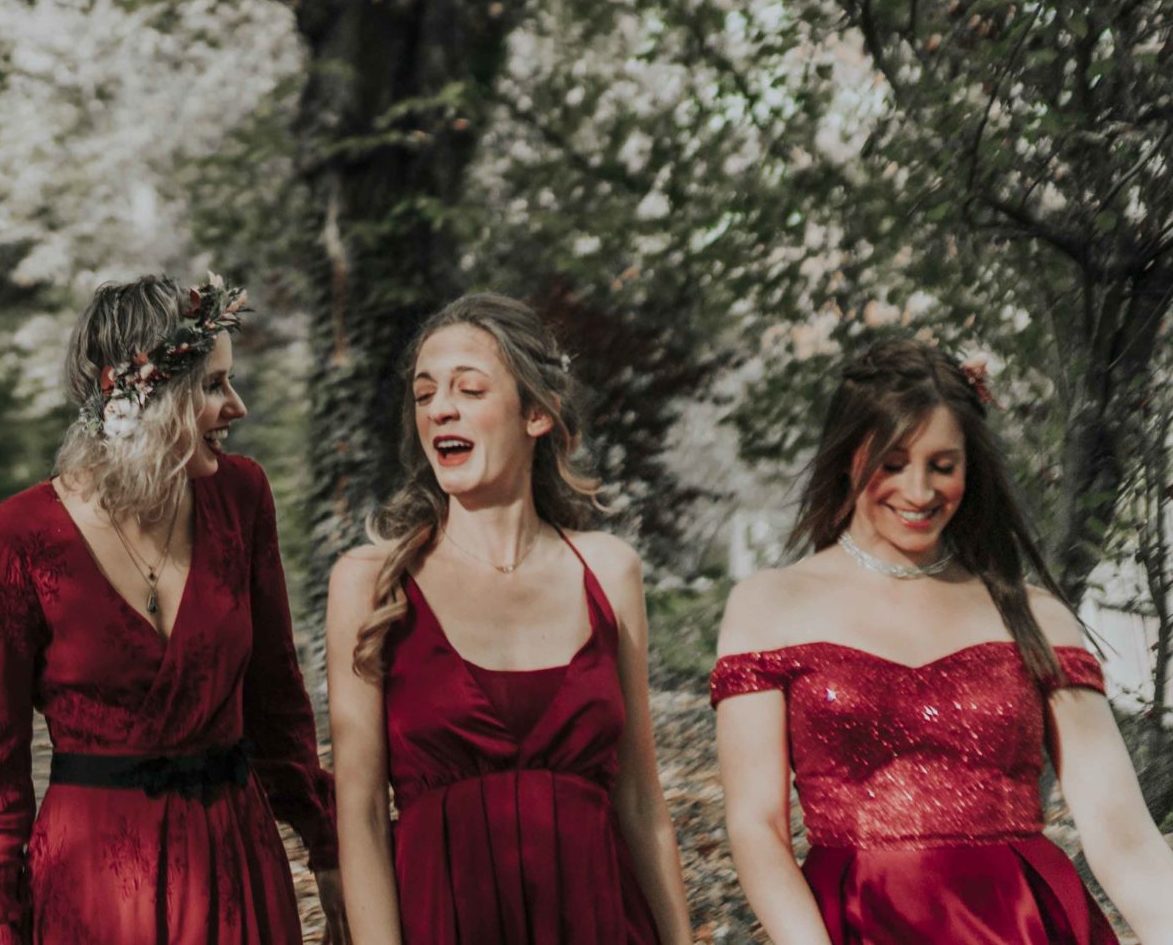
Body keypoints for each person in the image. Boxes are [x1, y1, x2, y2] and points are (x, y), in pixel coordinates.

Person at [715, 336, 1173, 944]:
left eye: (942, 464)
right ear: (849, 453)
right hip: (854, 923)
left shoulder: (1035, 617)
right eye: (894, 462)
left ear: (969, 466)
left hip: (1023, 924)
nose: (920, 491)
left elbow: (1122, 835)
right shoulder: (768, 606)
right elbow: (757, 828)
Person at [0, 274, 337, 945]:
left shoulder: (242, 497)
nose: (237, 406)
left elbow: (278, 698)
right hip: (93, 881)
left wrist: (328, 848)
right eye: (213, 384)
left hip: (234, 863)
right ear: (133, 388)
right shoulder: (18, 537)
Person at [324, 292, 688, 945]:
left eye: (469, 388)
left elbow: (639, 801)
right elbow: (362, 818)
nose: (440, 408)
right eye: (424, 393)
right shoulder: (371, 582)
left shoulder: (609, 571)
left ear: (537, 415)